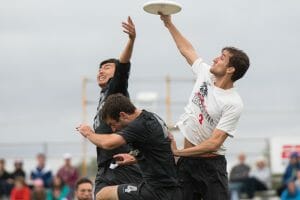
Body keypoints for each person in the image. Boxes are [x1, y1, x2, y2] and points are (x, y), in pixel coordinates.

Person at [159, 14, 250, 200]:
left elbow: (214, 143)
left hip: (211, 167)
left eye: (222, 58)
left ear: (231, 69)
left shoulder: (233, 103)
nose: (216, 59)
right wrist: (169, 23)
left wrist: (177, 152)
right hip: (186, 165)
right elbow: (186, 49)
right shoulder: (205, 74)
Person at [76, 94, 182, 200]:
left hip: (157, 191)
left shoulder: (140, 125)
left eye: (113, 124)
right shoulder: (151, 117)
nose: (113, 129)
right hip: (169, 188)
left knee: (102, 194)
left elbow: (108, 143)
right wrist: (134, 158)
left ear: (123, 115)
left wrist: (89, 133)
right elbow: (157, 150)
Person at [90, 16, 142, 197]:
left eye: (106, 67)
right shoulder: (103, 97)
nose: (101, 71)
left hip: (123, 163)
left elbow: (123, 67)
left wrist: (131, 40)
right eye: (99, 68)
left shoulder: (116, 90)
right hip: (105, 166)